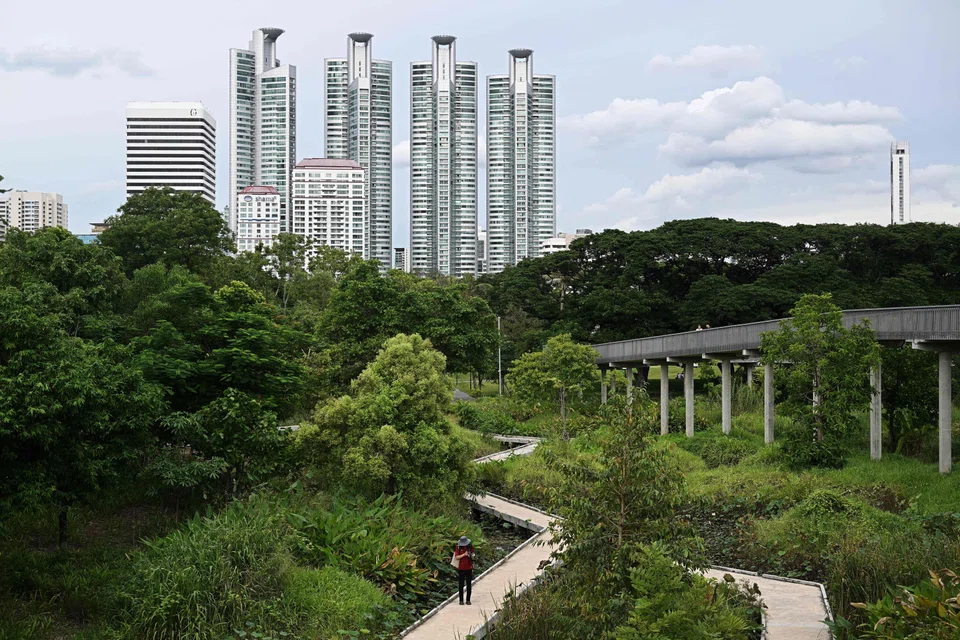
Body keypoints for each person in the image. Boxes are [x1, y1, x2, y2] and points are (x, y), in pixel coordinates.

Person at [454, 535, 475, 605]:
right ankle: (461, 600)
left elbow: (473, 555)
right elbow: (457, 557)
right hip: (461, 568)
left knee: (469, 584)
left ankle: (468, 600)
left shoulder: (470, 547)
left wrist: (470, 555)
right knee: (461, 584)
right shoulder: (458, 547)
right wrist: (464, 554)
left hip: (469, 568)